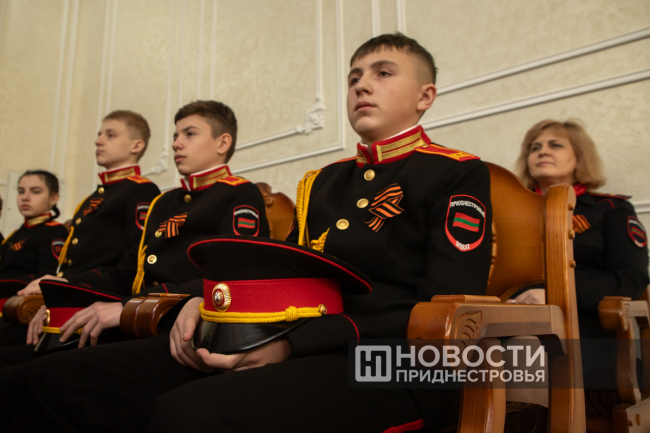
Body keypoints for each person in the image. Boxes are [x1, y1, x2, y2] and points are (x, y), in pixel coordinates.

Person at [1, 34, 492, 433]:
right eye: (353, 77)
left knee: (189, 415)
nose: (362, 85)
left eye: (382, 73)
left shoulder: (456, 172)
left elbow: (443, 309)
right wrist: (207, 298)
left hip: (396, 362)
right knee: (54, 381)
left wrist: (291, 345)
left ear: (425, 96)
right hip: (292, 338)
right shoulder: (324, 182)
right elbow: (286, 274)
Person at [510, 119, 649, 415]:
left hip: (584, 328)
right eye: (534, 147)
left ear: (579, 157)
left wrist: (555, 295)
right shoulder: (508, 212)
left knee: (522, 346)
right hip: (510, 317)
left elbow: (630, 278)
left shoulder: (609, 210)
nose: (542, 151)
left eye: (555, 145)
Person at [0, 110, 161, 347]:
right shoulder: (92, 198)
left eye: (110, 135)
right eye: (99, 134)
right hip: (71, 300)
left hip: (97, 302)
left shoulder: (141, 191)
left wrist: (65, 284)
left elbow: (133, 264)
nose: (98, 141)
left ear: (136, 146)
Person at [0, 171, 68, 331]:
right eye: (21, 191)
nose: (25, 197)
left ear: (53, 198)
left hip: (20, 308)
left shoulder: (54, 231)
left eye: (35, 192)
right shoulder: (14, 235)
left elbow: (48, 275)